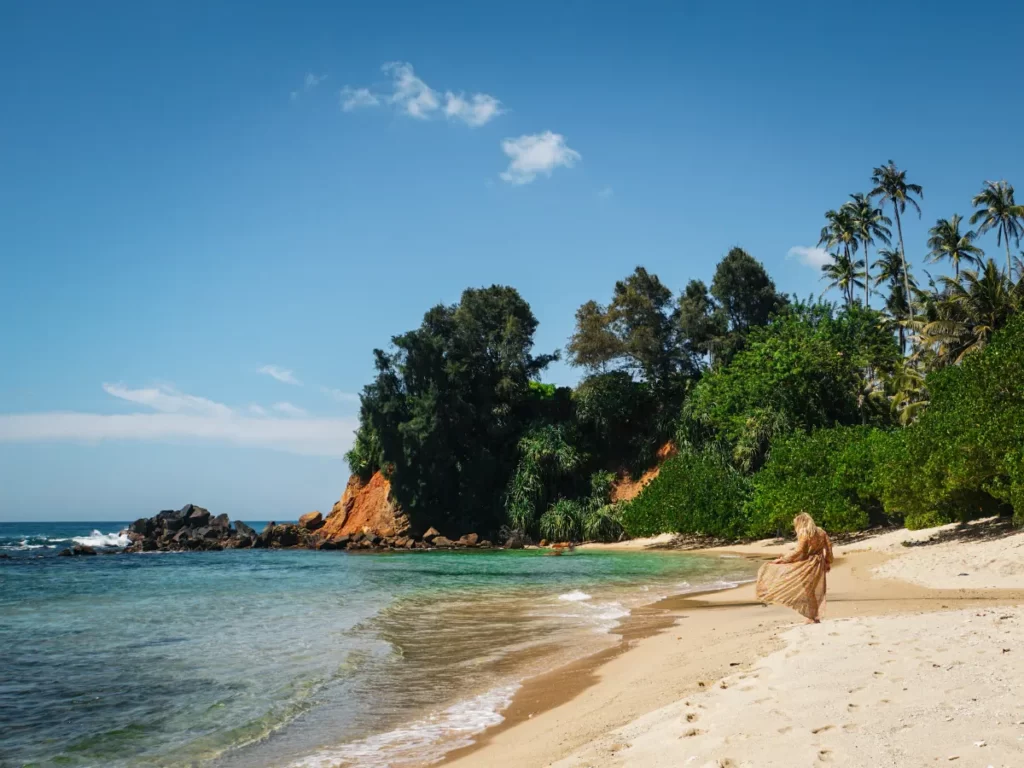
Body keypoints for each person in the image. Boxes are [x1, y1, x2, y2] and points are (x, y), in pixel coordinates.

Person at [755, 512, 834, 623]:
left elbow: (799, 551)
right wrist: (828, 561)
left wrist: (783, 559)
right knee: (811, 590)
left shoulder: (804, 532)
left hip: (807, 563)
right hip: (819, 564)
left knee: (808, 591)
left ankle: (813, 617)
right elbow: (829, 546)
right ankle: (814, 616)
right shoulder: (821, 531)